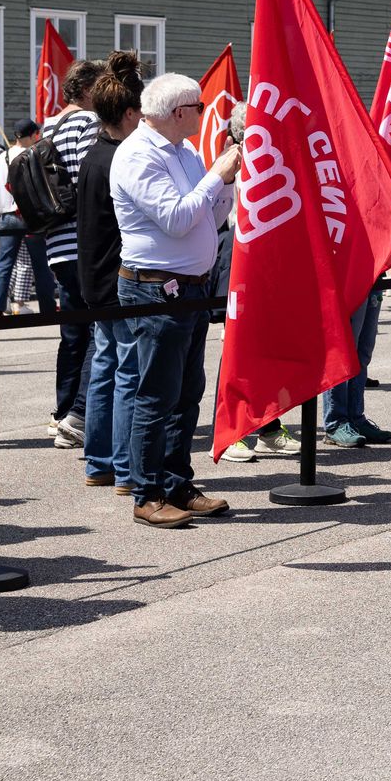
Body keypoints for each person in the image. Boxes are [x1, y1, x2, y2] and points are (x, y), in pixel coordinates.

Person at [111, 73, 241, 527]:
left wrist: (224, 186)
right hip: (156, 286)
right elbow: (177, 219)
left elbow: (212, 215)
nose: (205, 113)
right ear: (180, 112)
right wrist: (216, 178)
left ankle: (175, 481)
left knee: (186, 391)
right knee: (156, 393)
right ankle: (146, 492)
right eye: (200, 106)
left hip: (187, 286)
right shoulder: (136, 156)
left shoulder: (181, 150)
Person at [75, 55, 142, 491]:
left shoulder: (95, 152)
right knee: (126, 370)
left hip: (94, 272)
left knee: (105, 365)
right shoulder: (119, 157)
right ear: (129, 113)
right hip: (115, 274)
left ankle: (99, 462)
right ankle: (119, 465)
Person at [41, 57, 108, 445]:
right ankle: (80, 416)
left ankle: (62, 410)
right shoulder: (86, 122)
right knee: (98, 330)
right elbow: (90, 177)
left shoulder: (50, 123)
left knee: (73, 333)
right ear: (86, 90)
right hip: (84, 242)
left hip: (57, 244)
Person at [0, 119, 56, 317]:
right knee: (40, 264)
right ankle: (48, 308)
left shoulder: (3, 156)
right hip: (29, 216)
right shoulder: (34, 153)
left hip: (6, 215)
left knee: (4, 262)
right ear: (34, 134)